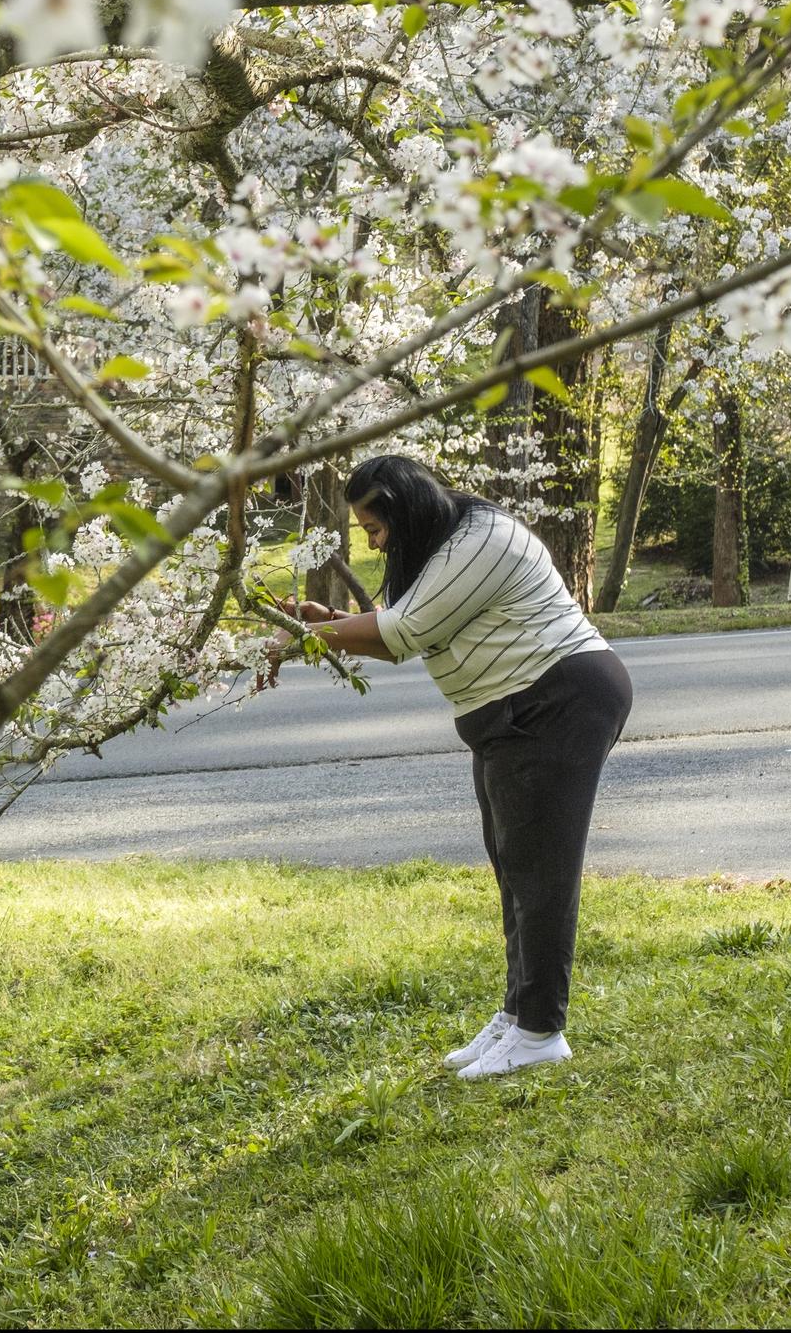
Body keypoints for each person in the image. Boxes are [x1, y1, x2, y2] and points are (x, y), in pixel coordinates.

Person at [266, 455, 633, 1078]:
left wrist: (307, 637)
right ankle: (520, 1013)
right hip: (511, 711)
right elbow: (400, 638)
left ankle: (543, 1030)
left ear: (405, 508)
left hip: (556, 699)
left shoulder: (480, 539)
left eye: (377, 529)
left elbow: (400, 633)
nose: (376, 543)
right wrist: (325, 623)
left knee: (541, 870)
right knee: (513, 865)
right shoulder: (444, 548)